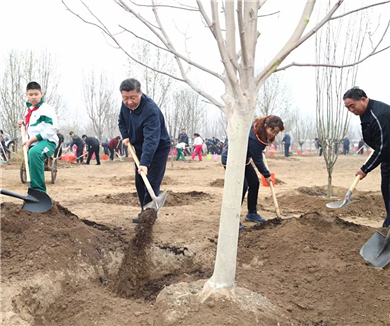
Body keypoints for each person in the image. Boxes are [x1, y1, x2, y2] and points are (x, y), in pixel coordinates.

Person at [118, 78, 170, 223]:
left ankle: (148, 219)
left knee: (151, 182)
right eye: (125, 98)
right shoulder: (125, 106)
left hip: (158, 148)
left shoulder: (150, 111)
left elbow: (151, 139)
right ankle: (144, 213)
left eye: (133, 97)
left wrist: (145, 163)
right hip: (139, 148)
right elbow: (121, 121)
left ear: (140, 93)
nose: (129, 102)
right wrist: (126, 136)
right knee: (140, 183)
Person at [222, 115, 285, 228]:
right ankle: (232, 217)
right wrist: (266, 175)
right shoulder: (255, 138)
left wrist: (258, 149)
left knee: (254, 183)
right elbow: (258, 161)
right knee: (243, 186)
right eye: (272, 131)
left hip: (243, 160)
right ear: (266, 125)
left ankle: (252, 213)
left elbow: (255, 150)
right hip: (231, 160)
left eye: (276, 133)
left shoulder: (258, 127)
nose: (273, 134)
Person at [343, 87, 390, 227]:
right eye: (348, 108)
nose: (351, 110)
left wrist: (365, 169)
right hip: (387, 158)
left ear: (363, 100)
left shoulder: (379, 115)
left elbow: (383, 147)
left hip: (386, 152)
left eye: (352, 106)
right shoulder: (366, 113)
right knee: (386, 189)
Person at [17, 81, 59, 193]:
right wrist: (24, 124)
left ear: (41, 94)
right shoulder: (29, 110)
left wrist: (31, 140)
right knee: (31, 156)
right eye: (31, 95)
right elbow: (34, 127)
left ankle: (39, 192)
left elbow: (51, 128)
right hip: (33, 143)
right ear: (27, 95)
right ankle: (33, 191)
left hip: (47, 141)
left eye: (36, 94)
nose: (33, 97)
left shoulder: (46, 109)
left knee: (34, 153)